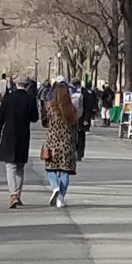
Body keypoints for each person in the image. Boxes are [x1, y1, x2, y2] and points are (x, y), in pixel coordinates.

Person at [0, 75, 39, 208]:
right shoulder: (30, 99)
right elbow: (35, 118)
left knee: (10, 166)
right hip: (23, 134)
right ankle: (17, 194)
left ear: (16, 84)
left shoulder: (8, 98)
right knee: (20, 166)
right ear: (27, 86)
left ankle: (13, 194)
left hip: (9, 133)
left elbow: (1, 116)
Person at [41, 79, 80, 208]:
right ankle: (61, 198)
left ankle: (54, 187)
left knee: (50, 169)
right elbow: (76, 128)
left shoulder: (50, 108)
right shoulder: (72, 110)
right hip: (67, 144)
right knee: (65, 171)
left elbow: (45, 123)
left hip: (53, 142)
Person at [75, 81, 100, 161]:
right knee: (80, 136)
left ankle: (78, 153)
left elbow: (87, 106)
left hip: (81, 117)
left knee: (79, 135)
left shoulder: (84, 93)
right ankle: (79, 153)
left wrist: (86, 118)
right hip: (82, 117)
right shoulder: (90, 93)